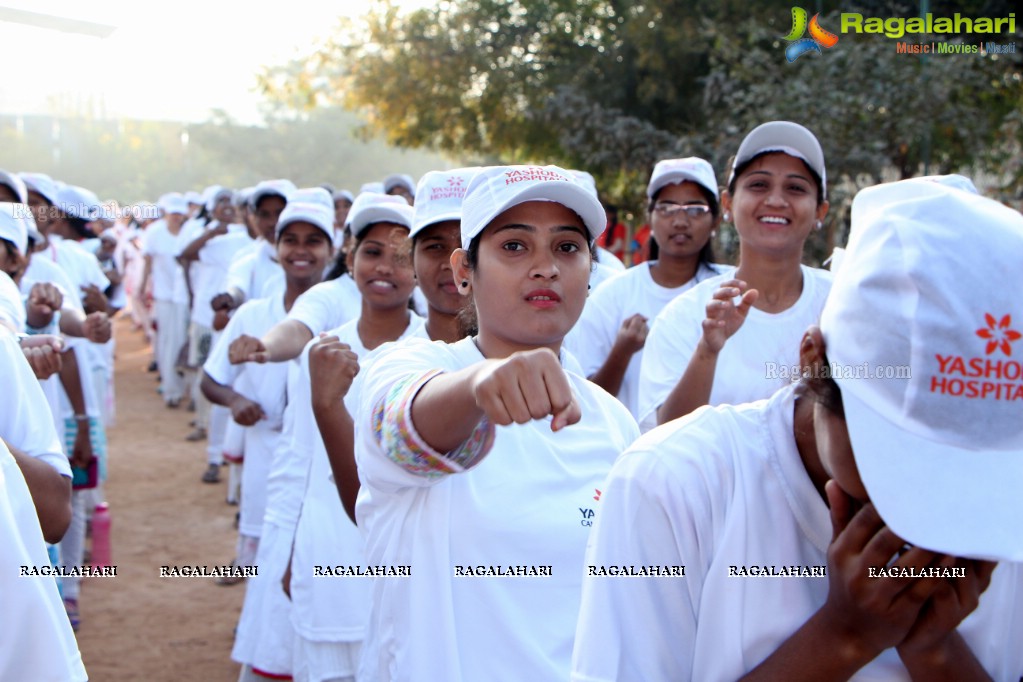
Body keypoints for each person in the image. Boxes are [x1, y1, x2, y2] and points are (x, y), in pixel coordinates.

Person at [571, 176, 1023, 681]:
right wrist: (845, 636)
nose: (929, 499)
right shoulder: (674, 485)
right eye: (897, 453)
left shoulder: (1007, 526)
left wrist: (935, 650)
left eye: (968, 470)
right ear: (813, 361)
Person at [354, 165, 639, 681]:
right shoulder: (409, 369)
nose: (545, 267)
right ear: (464, 270)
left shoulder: (613, 423)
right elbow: (399, 428)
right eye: (514, 246)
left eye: (568, 248)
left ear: (592, 269)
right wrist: (479, 387)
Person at [201, 188, 334, 681]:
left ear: (333, 248)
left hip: (326, 461)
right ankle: (262, 635)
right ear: (274, 246)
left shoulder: (351, 312)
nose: (302, 250)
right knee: (264, 552)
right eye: (290, 239)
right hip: (265, 450)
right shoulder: (254, 313)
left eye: (314, 241)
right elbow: (210, 379)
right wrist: (236, 401)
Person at [290, 191, 421, 682]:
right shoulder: (320, 352)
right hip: (325, 555)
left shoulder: (437, 354)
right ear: (349, 259)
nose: (385, 267)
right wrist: (289, 552)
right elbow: (297, 463)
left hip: (403, 573)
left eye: (403, 255)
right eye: (372, 252)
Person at [638, 121, 832, 431]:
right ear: (728, 204)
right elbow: (666, 437)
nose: (776, 201)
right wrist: (708, 350)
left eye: (795, 188)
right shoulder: (684, 317)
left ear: (820, 212)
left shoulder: (842, 305)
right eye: (758, 185)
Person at [565, 157, 729, 419]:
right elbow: (586, 401)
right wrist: (621, 351)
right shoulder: (613, 294)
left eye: (695, 208)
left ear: (716, 220)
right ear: (649, 217)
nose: (680, 221)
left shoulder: (729, 295)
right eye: (667, 207)